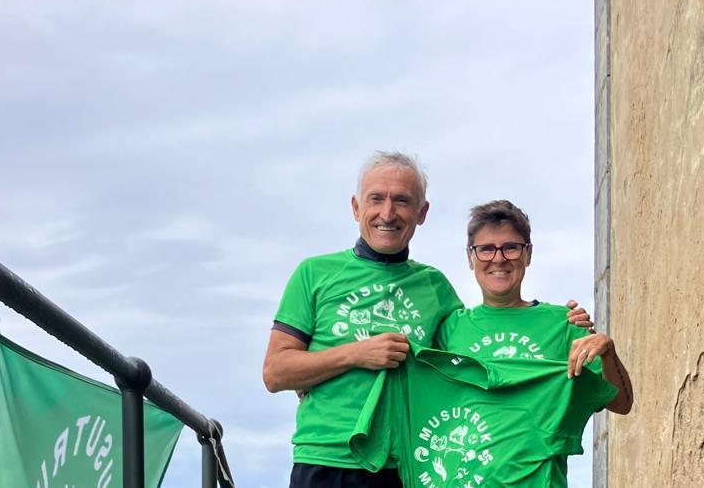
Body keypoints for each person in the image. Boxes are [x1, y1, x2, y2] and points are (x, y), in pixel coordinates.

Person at [263, 152, 463, 488]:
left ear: (421, 213)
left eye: (402, 200)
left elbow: (472, 359)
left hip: (405, 466)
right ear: (356, 208)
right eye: (376, 199)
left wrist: (564, 325)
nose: (388, 213)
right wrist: (356, 354)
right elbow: (275, 373)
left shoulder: (436, 286)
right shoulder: (314, 273)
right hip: (324, 461)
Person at [434, 199, 634, 485]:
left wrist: (608, 352)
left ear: (527, 254)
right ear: (470, 257)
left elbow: (622, 403)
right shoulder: (448, 329)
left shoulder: (563, 324)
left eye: (511, 247)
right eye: (486, 248)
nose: (499, 258)